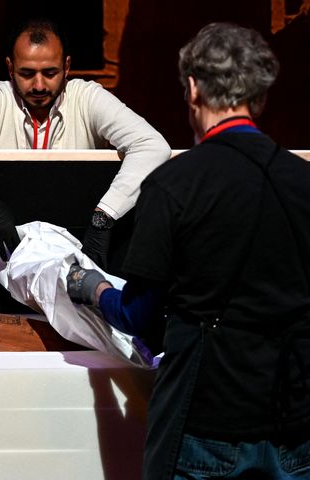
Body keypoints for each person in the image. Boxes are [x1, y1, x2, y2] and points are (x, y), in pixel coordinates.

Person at [66, 23, 310, 479]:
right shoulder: (302, 184)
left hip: (205, 425)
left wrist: (92, 288)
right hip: (294, 425)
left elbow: (139, 316)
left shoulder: (173, 185)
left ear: (194, 89)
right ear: (258, 94)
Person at [0, 18, 171, 268]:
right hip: (3, 263)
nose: (38, 85)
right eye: (26, 73)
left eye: (50, 73)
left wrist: (105, 217)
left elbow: (151, 145)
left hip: (79, 258)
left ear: (67, 67)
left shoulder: (87, 97)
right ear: (10, 68)